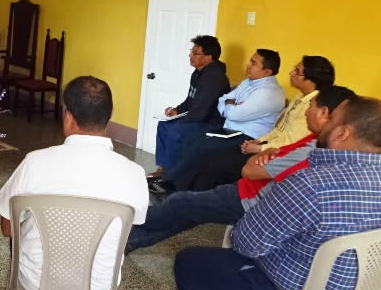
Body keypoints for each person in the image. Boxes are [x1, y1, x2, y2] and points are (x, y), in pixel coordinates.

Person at [174, 96, 381, 290]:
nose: (325, 125)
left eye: (331, 120)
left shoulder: (310, 183)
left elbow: (245, 243)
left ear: (342, 133)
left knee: (190, 261)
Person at [128, 86, 355, 251]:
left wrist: (263, 155)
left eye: (311, 108)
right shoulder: (314, 140)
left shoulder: (313, 148)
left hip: (251, 198)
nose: (306, 112)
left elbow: (250, 171)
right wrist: (266, 152)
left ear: (324, 113)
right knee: (189, 211)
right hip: (253, 190)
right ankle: (130, 240)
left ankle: (125, 230)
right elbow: (272, 154)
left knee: (181, 203)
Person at [0, 76, 149, 290]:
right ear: (110, 115)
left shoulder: (34, 163)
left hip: (34, 288)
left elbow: (8, 228)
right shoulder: (134, 173)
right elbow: (127, 230)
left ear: (68, 116)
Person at [185, 55, 335, 191]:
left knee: (216, 164)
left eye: (297, 71)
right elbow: (279, 129)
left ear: (311, 80)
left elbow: (290, 142)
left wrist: (259, 148)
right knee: (204, 150)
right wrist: (258, 141)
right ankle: (187, 194)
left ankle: (195, 201)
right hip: (264, 144)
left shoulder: (313, 106)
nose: (291, 73)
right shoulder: (300, 97)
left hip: (280, 155)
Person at [153, 49, 285, 192]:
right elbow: (223, 99)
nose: (248, 65)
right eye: (250, 61)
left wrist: (230, 105)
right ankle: (173, 181)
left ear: (267, 72)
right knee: (192, 140)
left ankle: (172, 185)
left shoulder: (269, 92)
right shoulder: (249, 82)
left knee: (201, 147)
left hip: (248, 137)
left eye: (253, 63)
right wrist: (231, 104)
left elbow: (234, 114)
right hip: (229, 131)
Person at [148, 35, 230, 179]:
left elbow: (202, 110)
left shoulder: (214, 77)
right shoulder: (197, 73)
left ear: (208, 57)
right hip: (197, 116)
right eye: (191, 51)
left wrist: (181, 121)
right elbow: (190, 100)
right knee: (164, 125)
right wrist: (177, 110)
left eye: (195, 53)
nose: (190, 55)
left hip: (210, 121)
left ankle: (171, 176)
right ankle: (163, 168)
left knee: (175, 131)